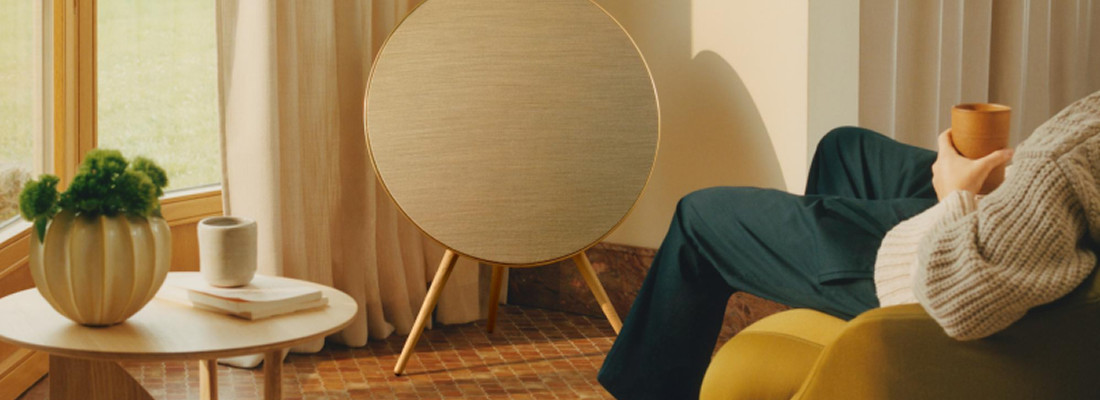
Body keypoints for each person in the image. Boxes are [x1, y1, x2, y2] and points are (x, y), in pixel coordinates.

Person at [598, 90, 1100, 399]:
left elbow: (960, 293)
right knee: (845, 148)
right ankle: (832, 336)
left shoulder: (1067, 156)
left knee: (700, 217)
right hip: (1022, 235)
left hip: (943, 273)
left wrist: (955, 197)